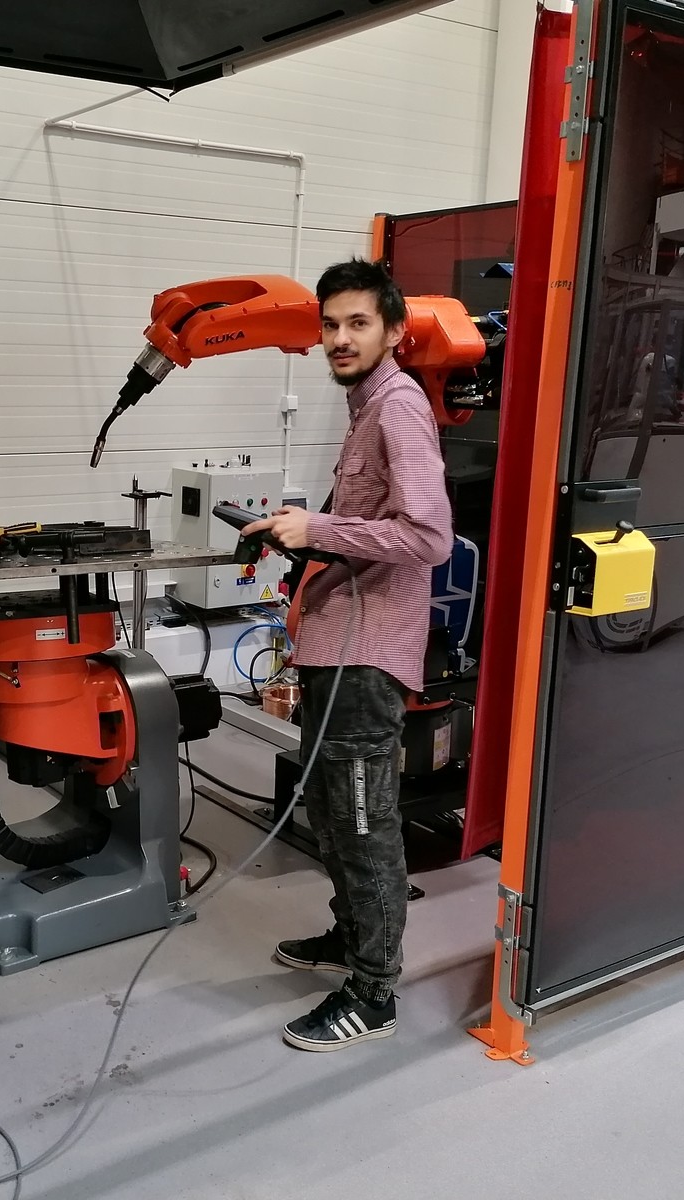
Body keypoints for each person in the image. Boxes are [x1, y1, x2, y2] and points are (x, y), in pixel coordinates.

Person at [241, 258, 454, 1052]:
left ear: (393, 331)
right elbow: (374, 524)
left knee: (364, 825)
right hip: (336, 646)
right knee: (333, 819)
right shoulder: (365, 407)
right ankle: (350, 937)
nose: (340, 337)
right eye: (330, 324)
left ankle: (374, 991)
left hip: (370, 657)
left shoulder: (398, 405)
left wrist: (320, 528)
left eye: (358, 323)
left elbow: (429, 536)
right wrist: (298, 533)